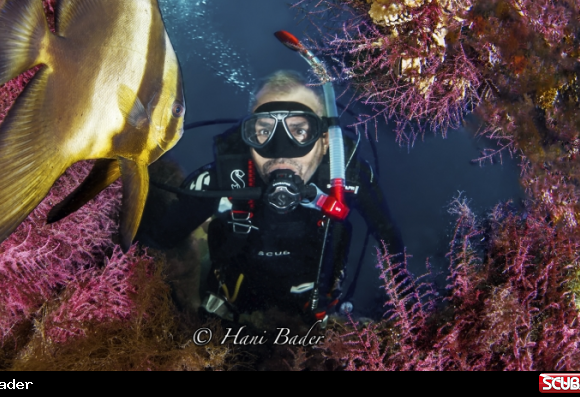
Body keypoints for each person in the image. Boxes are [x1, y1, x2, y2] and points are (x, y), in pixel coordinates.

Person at [137, 70, 403, 325]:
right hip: (229, 316)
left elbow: (390, 242)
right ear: (249, 138)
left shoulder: (346, 177)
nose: (280, 152)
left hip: (320, 315)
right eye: (264, 131)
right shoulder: (225, 178)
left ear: (324, 142)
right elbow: (156, 242)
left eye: (299, 131)